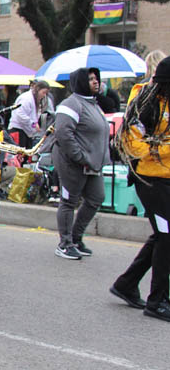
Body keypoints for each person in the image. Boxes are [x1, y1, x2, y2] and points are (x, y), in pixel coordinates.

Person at [110, 56, 170, 320]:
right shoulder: (145, 101)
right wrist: (162, 150)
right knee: (167, 237)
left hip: (166, 178)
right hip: (150, 180)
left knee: (162, 236)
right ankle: (156, 301)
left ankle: (126, 284)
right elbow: (134, 144)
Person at [51, 67, 110, 259]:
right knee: (69, 201)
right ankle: (65, 244)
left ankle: (75, 238)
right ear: (81, 82)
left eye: (96, 79)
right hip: (73, 164)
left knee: (96, 197)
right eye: (91, 79)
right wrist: (80, 157)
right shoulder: (71, 104)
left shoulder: (93, 104)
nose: (95, 82)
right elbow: (63, 134)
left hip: (92, 165)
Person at [9, 80, 52, 149]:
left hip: (27, 132)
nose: (44, 95)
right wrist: (33, 124)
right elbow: (20, 114)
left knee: (26, 156)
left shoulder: (35, 100)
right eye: (43, 92)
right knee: (18, 156)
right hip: (18, 130)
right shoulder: (26, 98)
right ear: (38, 90)